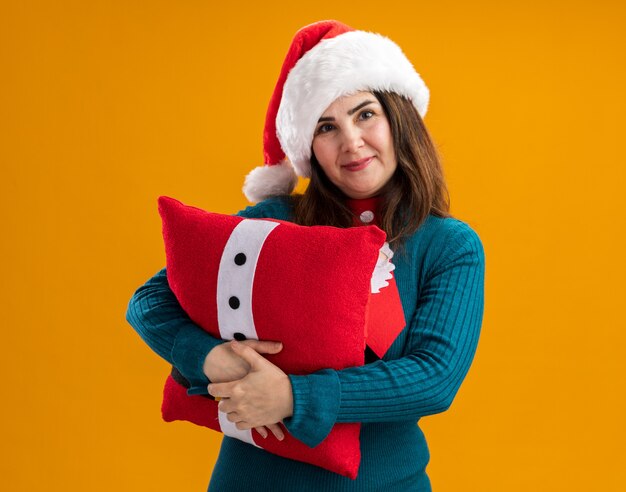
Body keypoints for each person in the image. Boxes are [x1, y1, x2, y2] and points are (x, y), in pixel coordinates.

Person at [126, 20, 485, 491]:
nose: (351, 142)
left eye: (365, 114)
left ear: (397, 118)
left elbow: (434, 377)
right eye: (326, 126)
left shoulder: (449, 245)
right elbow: (149, 300)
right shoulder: (273, 221)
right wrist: (211, 358)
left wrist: (293, 396)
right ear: (309, 147)